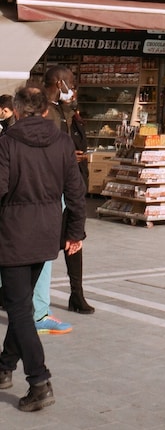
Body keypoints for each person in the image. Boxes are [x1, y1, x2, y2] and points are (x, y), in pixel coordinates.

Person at [0, 84, 87, 411]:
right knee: (21, 303)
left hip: (14, 235)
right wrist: (76, 231)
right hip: (47, 234)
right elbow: (75, 191)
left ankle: (39, 381)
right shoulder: (63, 143)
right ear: (46, 110)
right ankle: (4, 366)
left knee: (19, 310)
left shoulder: (7, 143)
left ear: (18, 111)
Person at [43, 65, 95, 315]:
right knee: (47, 244)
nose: (73, 88)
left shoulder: (64, 111)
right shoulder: (45, 112)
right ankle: (32, 301)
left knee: (75, 238)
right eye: (71, 83)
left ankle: (77, 294)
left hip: (71, 184)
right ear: (59, 83)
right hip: (52, 186)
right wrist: (66, 157)